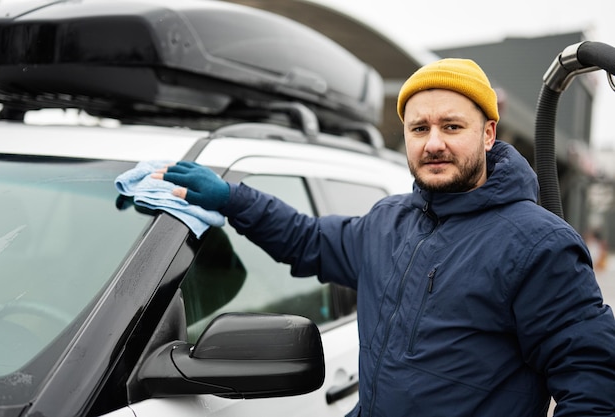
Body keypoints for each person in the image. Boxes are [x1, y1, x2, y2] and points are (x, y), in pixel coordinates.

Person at [153, 58, 615, 416]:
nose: (434, 142)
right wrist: (232, 198)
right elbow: (308, 240)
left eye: (452, 126)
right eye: (420, 128)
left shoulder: (539, 245)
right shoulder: (387, 221)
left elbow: (594, 380)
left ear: (489, 133)